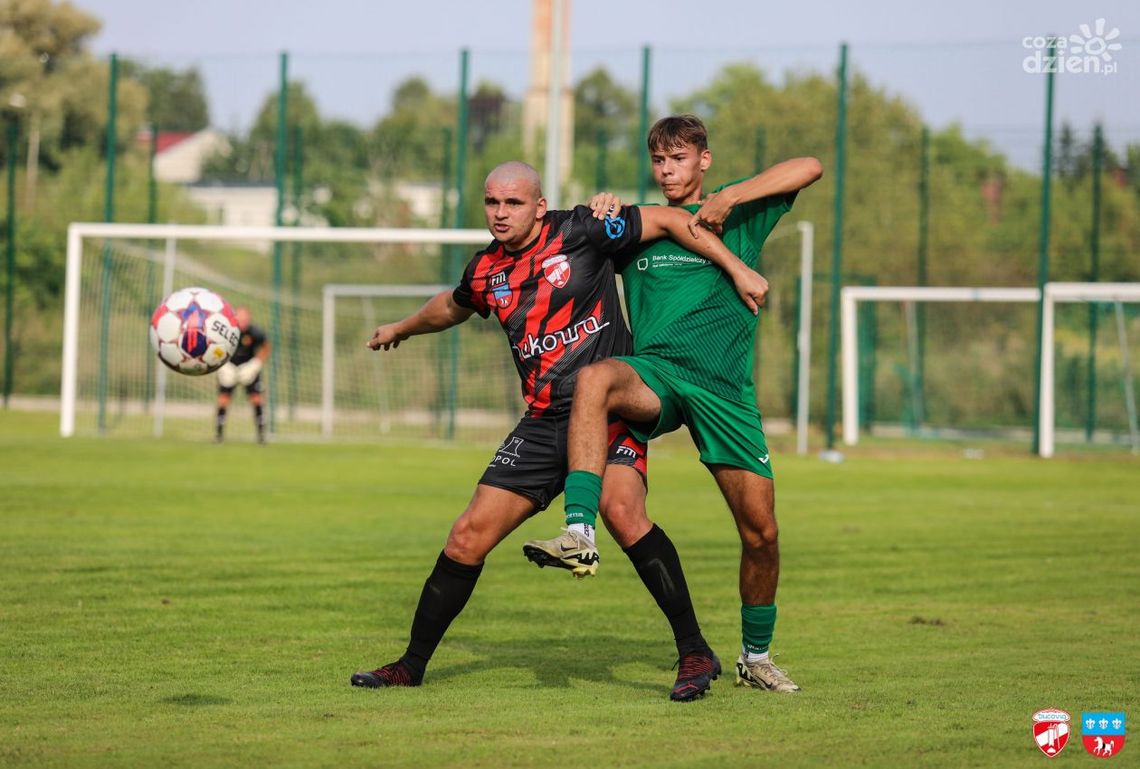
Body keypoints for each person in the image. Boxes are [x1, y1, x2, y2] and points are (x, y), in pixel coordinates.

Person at [350, 160, 768, 701]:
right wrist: (402, 328)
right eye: (492, 203)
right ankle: (410, 665)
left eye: (513, 203)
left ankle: (694, 651)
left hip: (609, 410)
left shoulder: (583, 229)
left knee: (622, 512)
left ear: (539, 206)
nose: (500, 213)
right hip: (545, 420)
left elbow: (667, 221)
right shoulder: (485, 270)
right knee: (466, 535)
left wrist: (736, 268)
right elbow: (453, 307)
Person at [523, 115, 822, 693]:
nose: (666, 172)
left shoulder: (740, 213)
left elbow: (808, 167)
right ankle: (579, 531)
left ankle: (755, 657)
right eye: (658, 161)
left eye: (678, 160)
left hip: (724, 391)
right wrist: (600, 209)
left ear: (703, 161)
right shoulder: (640, 226)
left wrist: (731, 196)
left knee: (761, 534)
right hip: (656, 374)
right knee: (594, 380)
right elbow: (574, 247)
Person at [215, 306, 270, 444]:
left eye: (246, 318)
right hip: (230, 368)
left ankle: (261, 436)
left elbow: (266, 347)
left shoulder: (255, 332)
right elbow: (214, 348)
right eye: (240, 317)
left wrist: (255, 365)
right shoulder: (226, 331)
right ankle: (219, 435)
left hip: (248, 370)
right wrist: (222, 364)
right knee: (223, 400)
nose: (243, 321)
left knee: (257, 400)